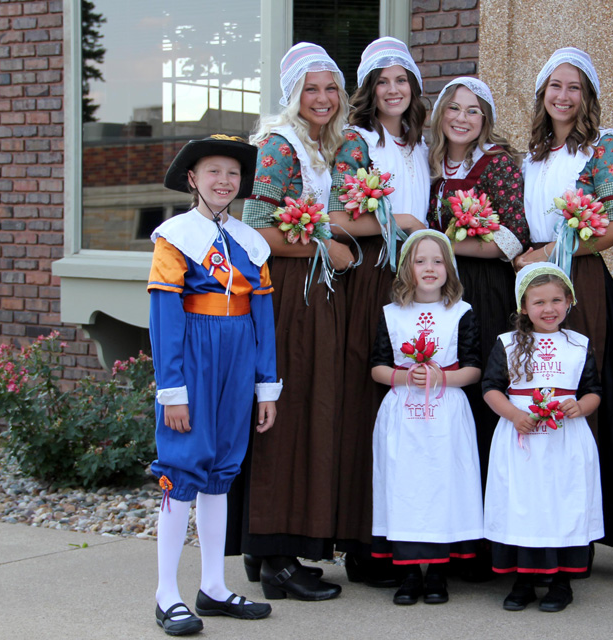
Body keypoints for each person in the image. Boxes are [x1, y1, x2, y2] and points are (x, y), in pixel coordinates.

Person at [148, 134, 282, 635]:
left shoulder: (251, 243)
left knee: (223, 467)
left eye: (232, 173)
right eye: (213, 172)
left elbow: (263, 316)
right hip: (194, 353)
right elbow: (165, 317)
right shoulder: (175, 237)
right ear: (192, 179)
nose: (224, 182)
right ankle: (167, 593)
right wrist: (173, 391)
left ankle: (214, 586)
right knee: (184, 466)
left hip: (238, 354)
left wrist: (265, 384)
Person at [233, 42, 352, 602]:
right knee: (284, 412)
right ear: (292, 95)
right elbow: (257, 230)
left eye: (331, 88)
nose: (323, 98)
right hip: (288, 299)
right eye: (312, 88)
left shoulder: (329, 146)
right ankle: (277, 559)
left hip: (315, 298)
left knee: (306, 412)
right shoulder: (279, 146)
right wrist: (326, 250)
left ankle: (267, 551)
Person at [512, 47, 613, 549]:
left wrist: (553, 249)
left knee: (578, 396)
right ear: (543, 95)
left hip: (580, 279)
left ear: (588, 97)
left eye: (574, 87)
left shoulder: (602, 146)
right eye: (555, 86)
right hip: (534, 283)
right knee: (536, 393)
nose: (564, 96)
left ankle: (580, 532)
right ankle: (534, 526)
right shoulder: (531, 155)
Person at [326, 36, 429, 586]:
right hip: (372, 279)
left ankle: (408, 535)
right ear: (369, 90)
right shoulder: (357, 142)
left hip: (415, 281)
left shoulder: (419, 144)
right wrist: (403, 223)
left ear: (413, 87)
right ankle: (365, 544)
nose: (393, 89)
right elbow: (340, 217)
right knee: (371, 399)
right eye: (383, 80)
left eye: (402, 79)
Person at [426, 76, 529, 499]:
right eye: (454, 107)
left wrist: (446, 243)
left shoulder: (497, 163)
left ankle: (485, 527)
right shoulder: (428, 162)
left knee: (477, 389)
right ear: (440, 114)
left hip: (483, 289)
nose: (462, 118)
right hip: (437, 288)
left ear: (484, 118)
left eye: (473, 110)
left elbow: (513, 237)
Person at [369, 229, 484, 606]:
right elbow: (377, 367)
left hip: (446, 412)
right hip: (403, 411)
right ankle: (407, 573)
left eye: (438, 261)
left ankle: (437, 573)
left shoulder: (460, 312)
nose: (430, 268)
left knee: (442, 485)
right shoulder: (392, 314)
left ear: (449, 268)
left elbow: (474, 368)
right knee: (405, 486)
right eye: (421, 261)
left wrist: (442, 377)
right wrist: (405, 377)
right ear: (407, 269)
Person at [482, 263, 604, 613]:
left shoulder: (578, 344)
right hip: (523, 440)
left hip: (565, 441)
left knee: (561, 504)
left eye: (556, 300)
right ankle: (523, 581)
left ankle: (561, 582)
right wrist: (515, 415)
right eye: (539, 302)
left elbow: (594, 390)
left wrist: (581, 406)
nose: (548, 309)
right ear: (523, 307)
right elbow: (491, 387)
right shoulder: (508, 344)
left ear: (569, 302)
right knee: (525, 505)